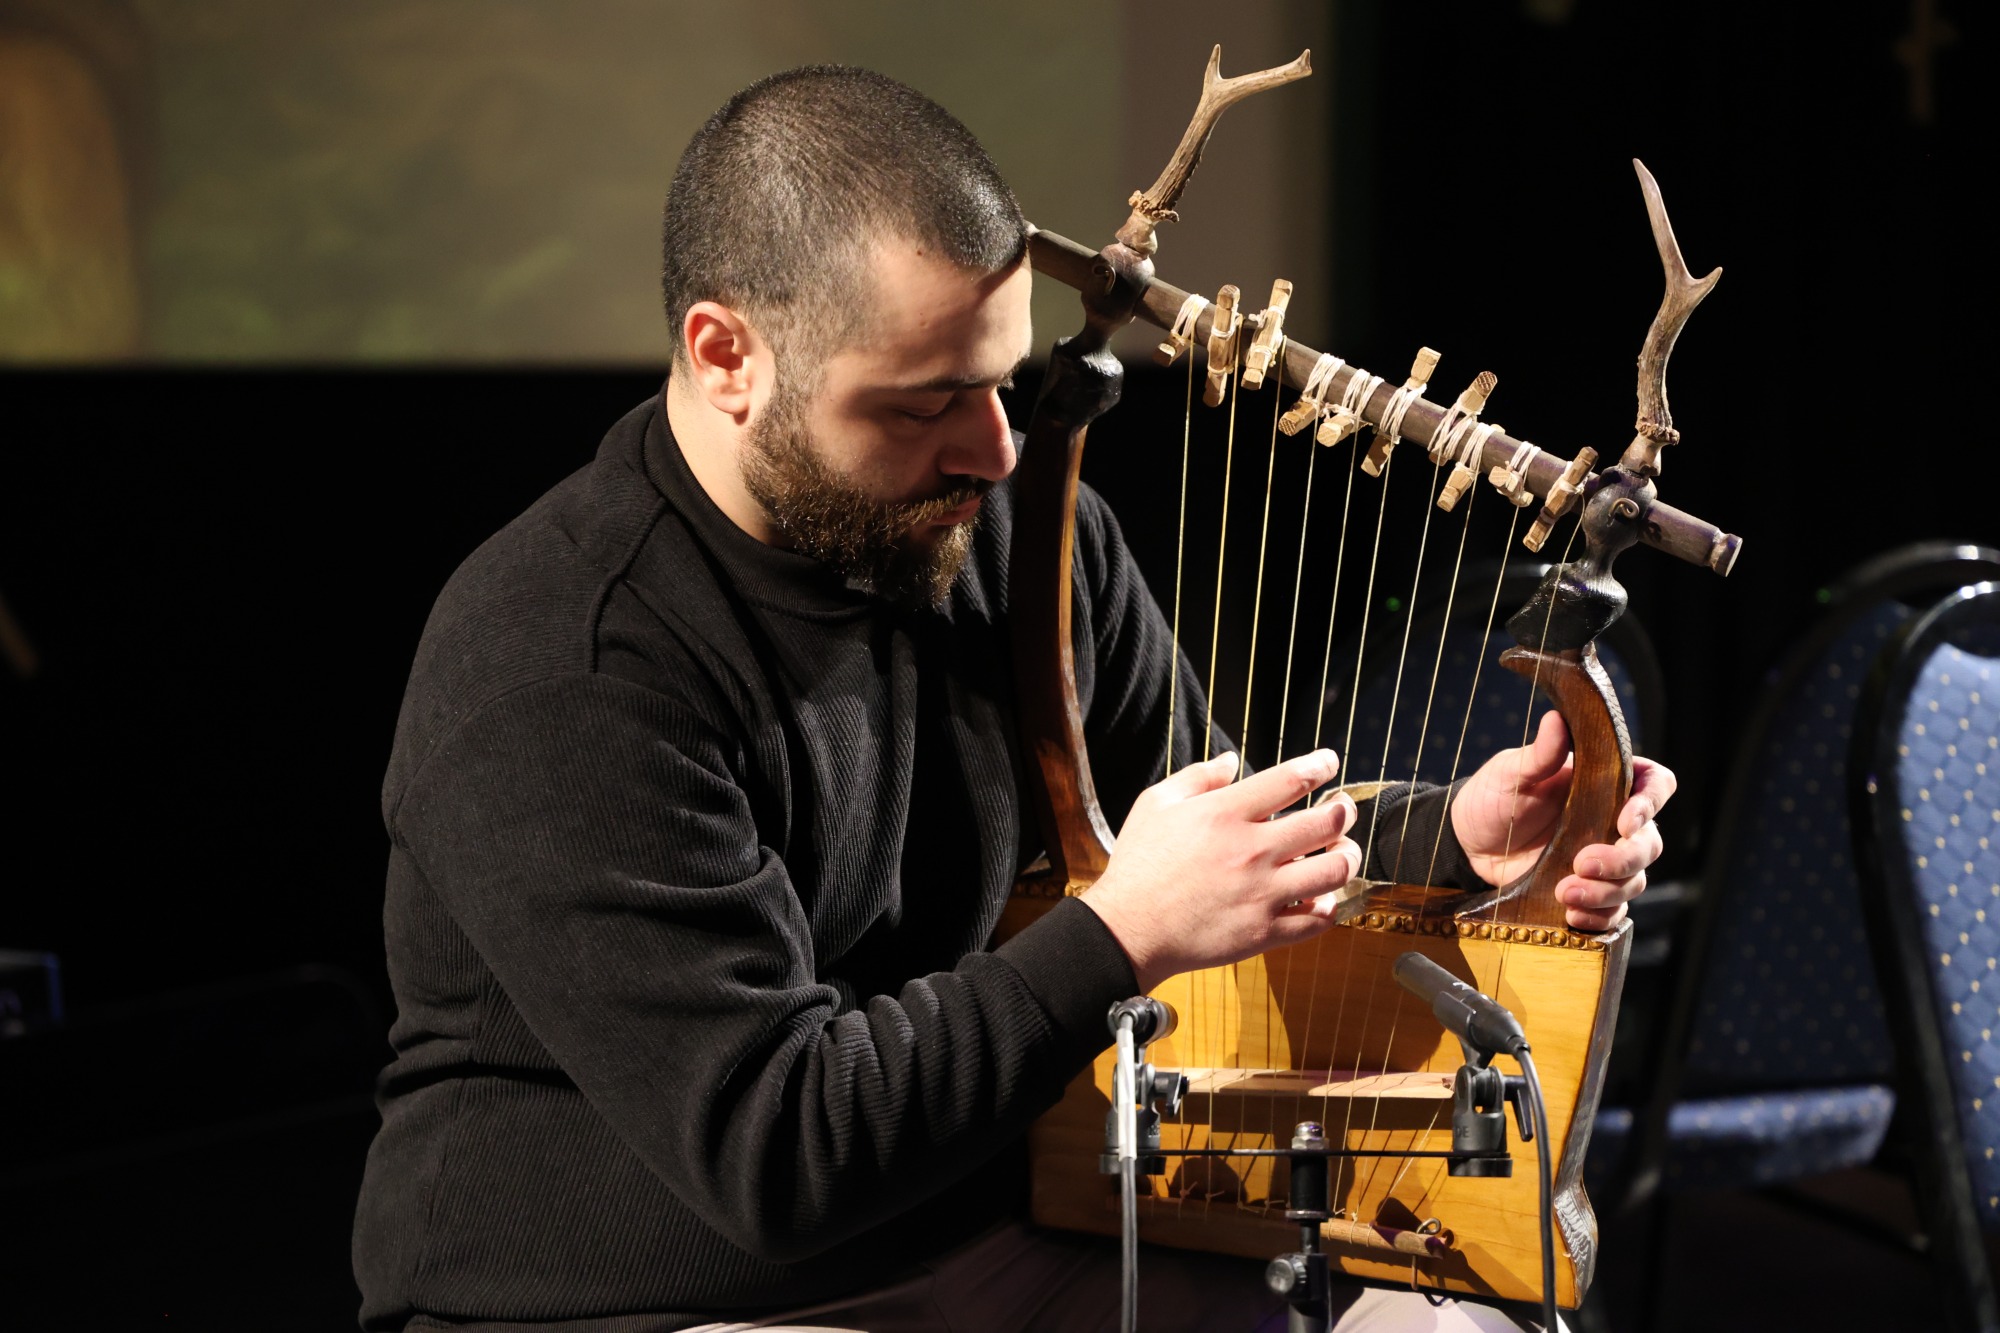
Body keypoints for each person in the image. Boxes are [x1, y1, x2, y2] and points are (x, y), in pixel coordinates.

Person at [352, 66, 1672, 1332]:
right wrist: (1121, 935)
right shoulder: (563, 664)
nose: (995, 448)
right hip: (667, 1303)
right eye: (926, 401)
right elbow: (780, 1155)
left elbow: (1192, 841)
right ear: (726, 356)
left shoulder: (1023, 541)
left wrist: (1451, 835)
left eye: (1003, 382)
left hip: (1003, 1232)